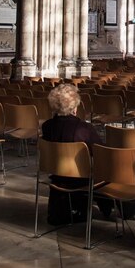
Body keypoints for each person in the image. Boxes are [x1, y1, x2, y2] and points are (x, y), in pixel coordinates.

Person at [42, 83, 112, 224]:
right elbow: (101, 153)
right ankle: (111, 208)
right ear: (75, 106)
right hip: (81, 177)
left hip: (56, 175)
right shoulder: (84, 128)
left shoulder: (47, 126)